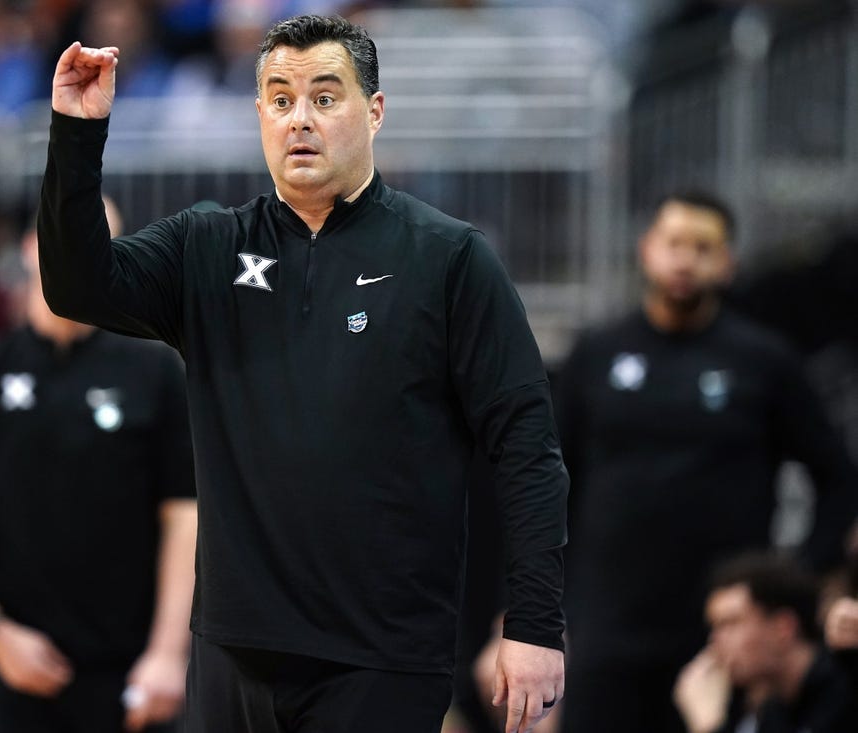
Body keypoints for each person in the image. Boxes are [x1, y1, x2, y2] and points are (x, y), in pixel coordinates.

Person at [37, 14, 569, 733]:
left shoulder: (448, 258)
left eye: (325, 97)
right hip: (233, 648)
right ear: (260, 114)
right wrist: (76, 134)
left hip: (382, 654)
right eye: (282, 100)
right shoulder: (210, 245)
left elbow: (527, 447)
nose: (300, 120)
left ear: (374, 112)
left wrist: (534, 622)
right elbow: (75, 286)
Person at [550, 191, 858, 732]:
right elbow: (543, 484)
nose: (686, 260)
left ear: (728, 262)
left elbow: (837, 478)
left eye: (704, 247)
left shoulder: (764, 361)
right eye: (674, 243)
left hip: (723, 637)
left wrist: (798, 580)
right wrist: (524, 607)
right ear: (646, 250)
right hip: (609, 627)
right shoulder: (595, 355)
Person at [0, 221, 198, 733]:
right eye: (67, 226)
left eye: (95, 233)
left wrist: (168, 653)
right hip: (7, 671)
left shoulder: (155, 372)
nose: (78, 246)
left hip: (130, 671)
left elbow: (186, 515)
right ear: (29, 248)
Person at [673, 552, 858, 733]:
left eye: (731, 624)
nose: (715, 640)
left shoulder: (846, 688)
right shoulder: (774, 710)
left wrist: (708, 726)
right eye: (715, 627)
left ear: (783, 628)